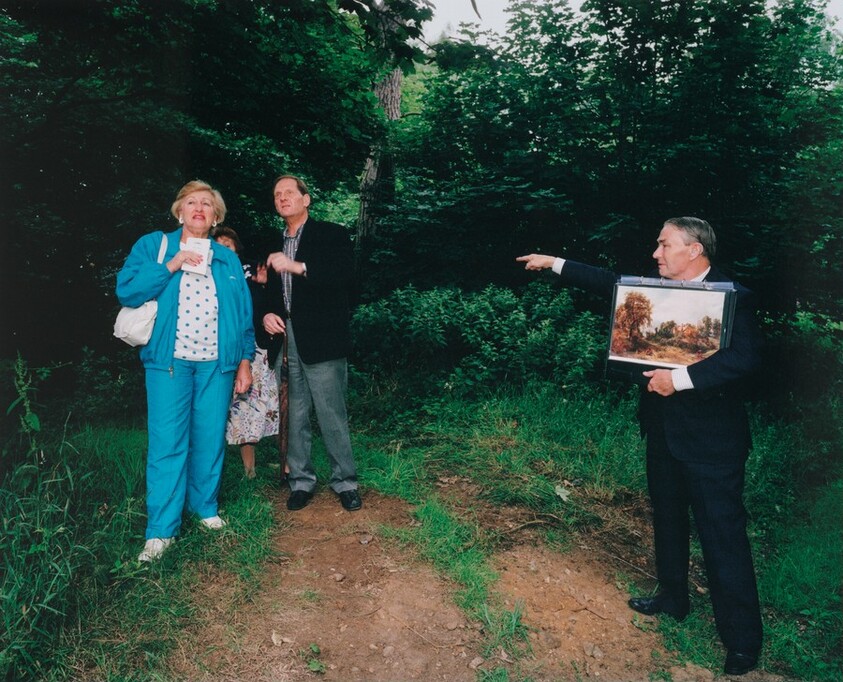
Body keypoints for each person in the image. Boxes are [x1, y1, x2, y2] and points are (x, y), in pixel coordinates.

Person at [517, 217, 763, 676]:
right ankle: (673, 598)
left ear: (694, 250)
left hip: (713, 444)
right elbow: (610, 283)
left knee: (722, 536)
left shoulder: (734, 296)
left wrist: (680, 380)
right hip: (662, 434)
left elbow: (745, 360)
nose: (656, 253)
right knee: (667, 521)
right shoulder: (658, 289)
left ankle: (742, 640)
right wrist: (554, 263)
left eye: (664, 244)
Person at [117, 180, 255, 562]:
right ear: (180, 212)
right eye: (191, 202)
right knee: (167, 442)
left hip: (217, 364)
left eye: (207, 204)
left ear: (215, 216)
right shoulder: (154, 246)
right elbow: (127, 290)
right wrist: (171, 265)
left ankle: (205, 508)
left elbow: (243, 313)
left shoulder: (226, 259)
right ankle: (161, 531)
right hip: (169, 363)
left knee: (210, 438)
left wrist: (245, 360)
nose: (199, 208)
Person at [261, 174, 362, 512]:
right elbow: (264, 291)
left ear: (306, 199)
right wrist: (266, 315)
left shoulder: (331, 234)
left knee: (331, 412)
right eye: (277, 194)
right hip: (285, 338)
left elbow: (345, 275)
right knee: (295, 414)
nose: (282, 198)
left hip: (322, 338)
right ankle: (301, 481)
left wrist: (298, 266)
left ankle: (345, 482)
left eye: (289, 192)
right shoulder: (271, 242)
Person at [212, 226, 280, 479]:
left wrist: (263, 286)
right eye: (218, 245)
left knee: (271, 406)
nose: (223, 250)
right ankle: (249, 470)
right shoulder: (208, 274)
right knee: (241, 410)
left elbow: (276, 302)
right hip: (225, 352)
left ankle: (285, 461)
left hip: (259, 350)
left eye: (227, 245)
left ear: (236, 248)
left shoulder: (252, 270)